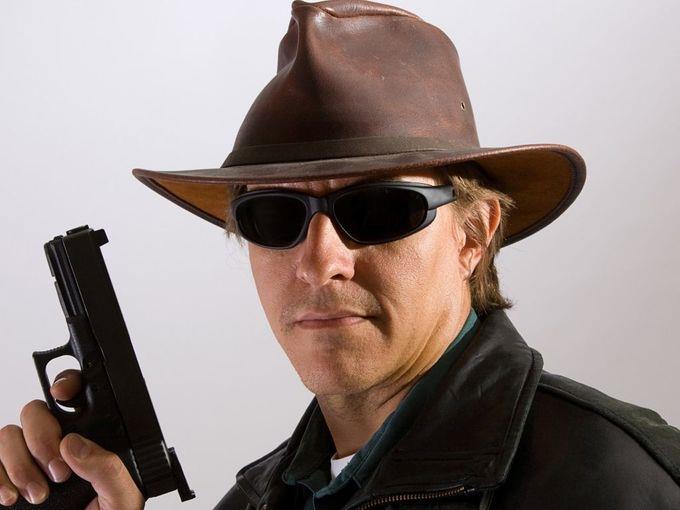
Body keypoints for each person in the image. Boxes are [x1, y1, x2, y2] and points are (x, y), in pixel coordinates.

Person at [1, 1, 679, 509]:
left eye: (380, 210)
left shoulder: (612, 483)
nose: (319, 260)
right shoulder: (258, 500)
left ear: (473, 235)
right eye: (273, 217)